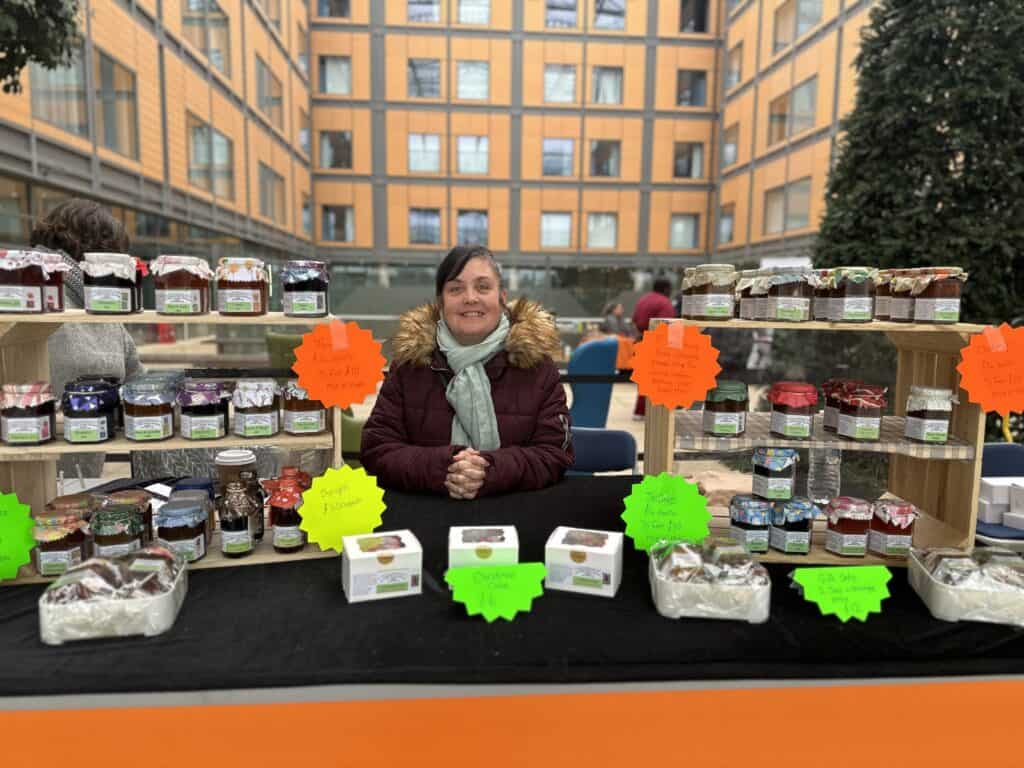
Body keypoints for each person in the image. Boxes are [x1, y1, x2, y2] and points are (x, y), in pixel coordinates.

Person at [362, 245, 573, 498]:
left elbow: (555, 453)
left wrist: (490, 471)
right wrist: (445, 468)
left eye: (483, 287)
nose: (470, 298)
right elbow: (378, 449)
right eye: (456, 289)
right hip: (428, 513)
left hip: (514, 513)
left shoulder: (538, 366)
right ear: (441, 302)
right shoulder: (409, 366)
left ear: (501, 297)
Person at [30, 199, 144, 478]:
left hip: (79, 486)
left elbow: (140, 384)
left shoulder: (102, 313)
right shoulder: (32, 296)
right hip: (18, 484)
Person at [631, 276, 676, 419]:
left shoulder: (643, 299)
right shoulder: (664, 302)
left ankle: (640, 411)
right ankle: (653, 413)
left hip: (641, 341)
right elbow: (668, 325)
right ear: (666, 289)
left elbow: (635, 319)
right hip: (657, 343)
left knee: (644, 379)